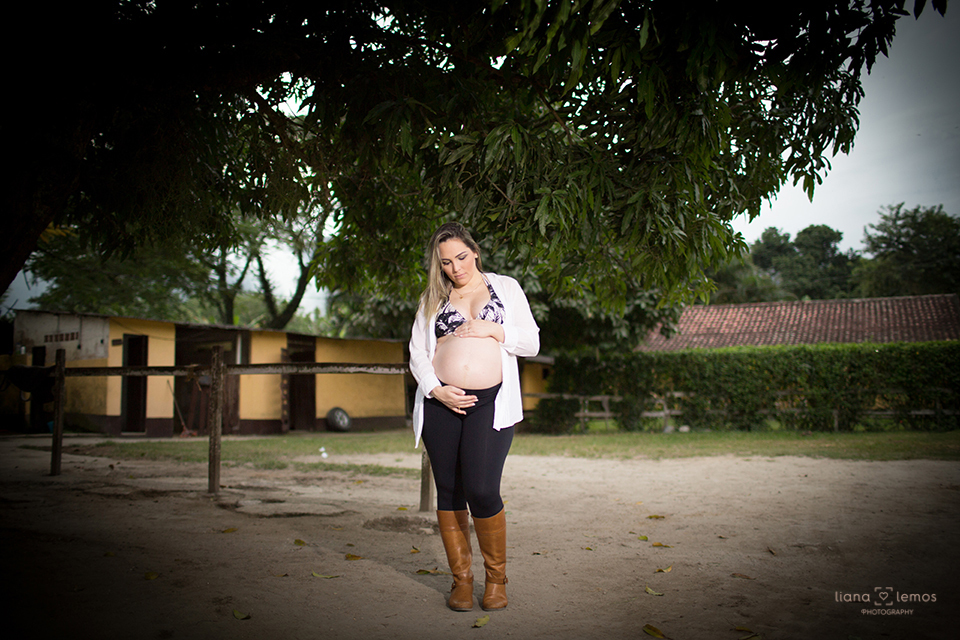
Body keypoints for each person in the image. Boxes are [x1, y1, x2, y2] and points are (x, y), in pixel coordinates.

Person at [409, 222, 540, 612]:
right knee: (448, 491)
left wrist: (493, 328)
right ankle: (462, 581)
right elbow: (417, 350)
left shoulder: (506, 288)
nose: (455, 267)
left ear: (475, 251)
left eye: (461, 257)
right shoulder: (433, 298)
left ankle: (496, 579)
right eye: (446, 262)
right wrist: (435, 388)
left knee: (481, 489)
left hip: (490, 403)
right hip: (441, 404)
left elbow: (531, 341)